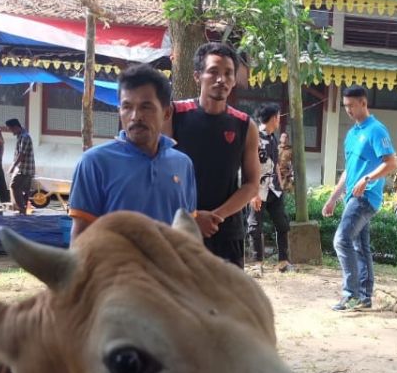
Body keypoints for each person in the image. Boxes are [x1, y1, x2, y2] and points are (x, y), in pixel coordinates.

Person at [68, 65, 197, 239]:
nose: (136, 116)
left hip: (167, 266)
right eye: (127, 107)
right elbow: (80, 238)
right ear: (119, 111)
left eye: (146, 107)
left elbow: (187, 233)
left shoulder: (183, 164)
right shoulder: (94, 163)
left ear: (167, 113)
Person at [169, 42, 260, 269]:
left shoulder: (245, 126)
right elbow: (158, 174)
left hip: (226, 232)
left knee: (227, 302)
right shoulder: (174, 115)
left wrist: (215, 217)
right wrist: (192, 217)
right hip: (178, 228)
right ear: (197, 76)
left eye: (228, 73)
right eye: (213, 72)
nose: (221, 79)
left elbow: (251, 184)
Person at [323, 86, 397, 311]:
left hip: (366, 197)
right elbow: (348, 170)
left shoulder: (377, 130)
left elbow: (391, 163)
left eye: (351, 106)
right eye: (345, 106)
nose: (348, 111)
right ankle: (364, 298)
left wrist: (367, 179)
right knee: (360, 246)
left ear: (363, 103)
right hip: (352, 198)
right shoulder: (352, 133)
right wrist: (333, 197)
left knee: (341, 240)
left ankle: (351, 294)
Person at [247, 103, 291, 272]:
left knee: (282, 223)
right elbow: (249, 165)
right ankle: (257, 263)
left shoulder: (273, 138)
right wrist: (253, 193)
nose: (279, 120)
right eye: (279, 117)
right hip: (257, 189)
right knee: (255, 225)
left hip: (274, 188)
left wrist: (280, 184)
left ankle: (283, 262)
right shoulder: (254, 136)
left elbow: (275, 164)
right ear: (274, 118)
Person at [5, 118, 34, 214]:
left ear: (16, 127)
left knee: (14, 186)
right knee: (23, 190)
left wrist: (13, 167)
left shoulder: (24, 137)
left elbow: (21, 155)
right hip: (23, 168)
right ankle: (22, 210)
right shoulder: (20, 136)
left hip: (24, 168)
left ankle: (21, 209)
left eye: (11, 129)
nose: (11, 131)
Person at [278, 131, 295, 201]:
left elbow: (294, 163)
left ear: (288, 139)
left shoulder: (291, 150)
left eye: (286, 137)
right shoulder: (276, 148)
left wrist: (291, 172)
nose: (284, 138)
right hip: (276, 174)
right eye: (283, 137)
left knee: (287, 194)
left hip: (286, 175)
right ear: (280, 138)